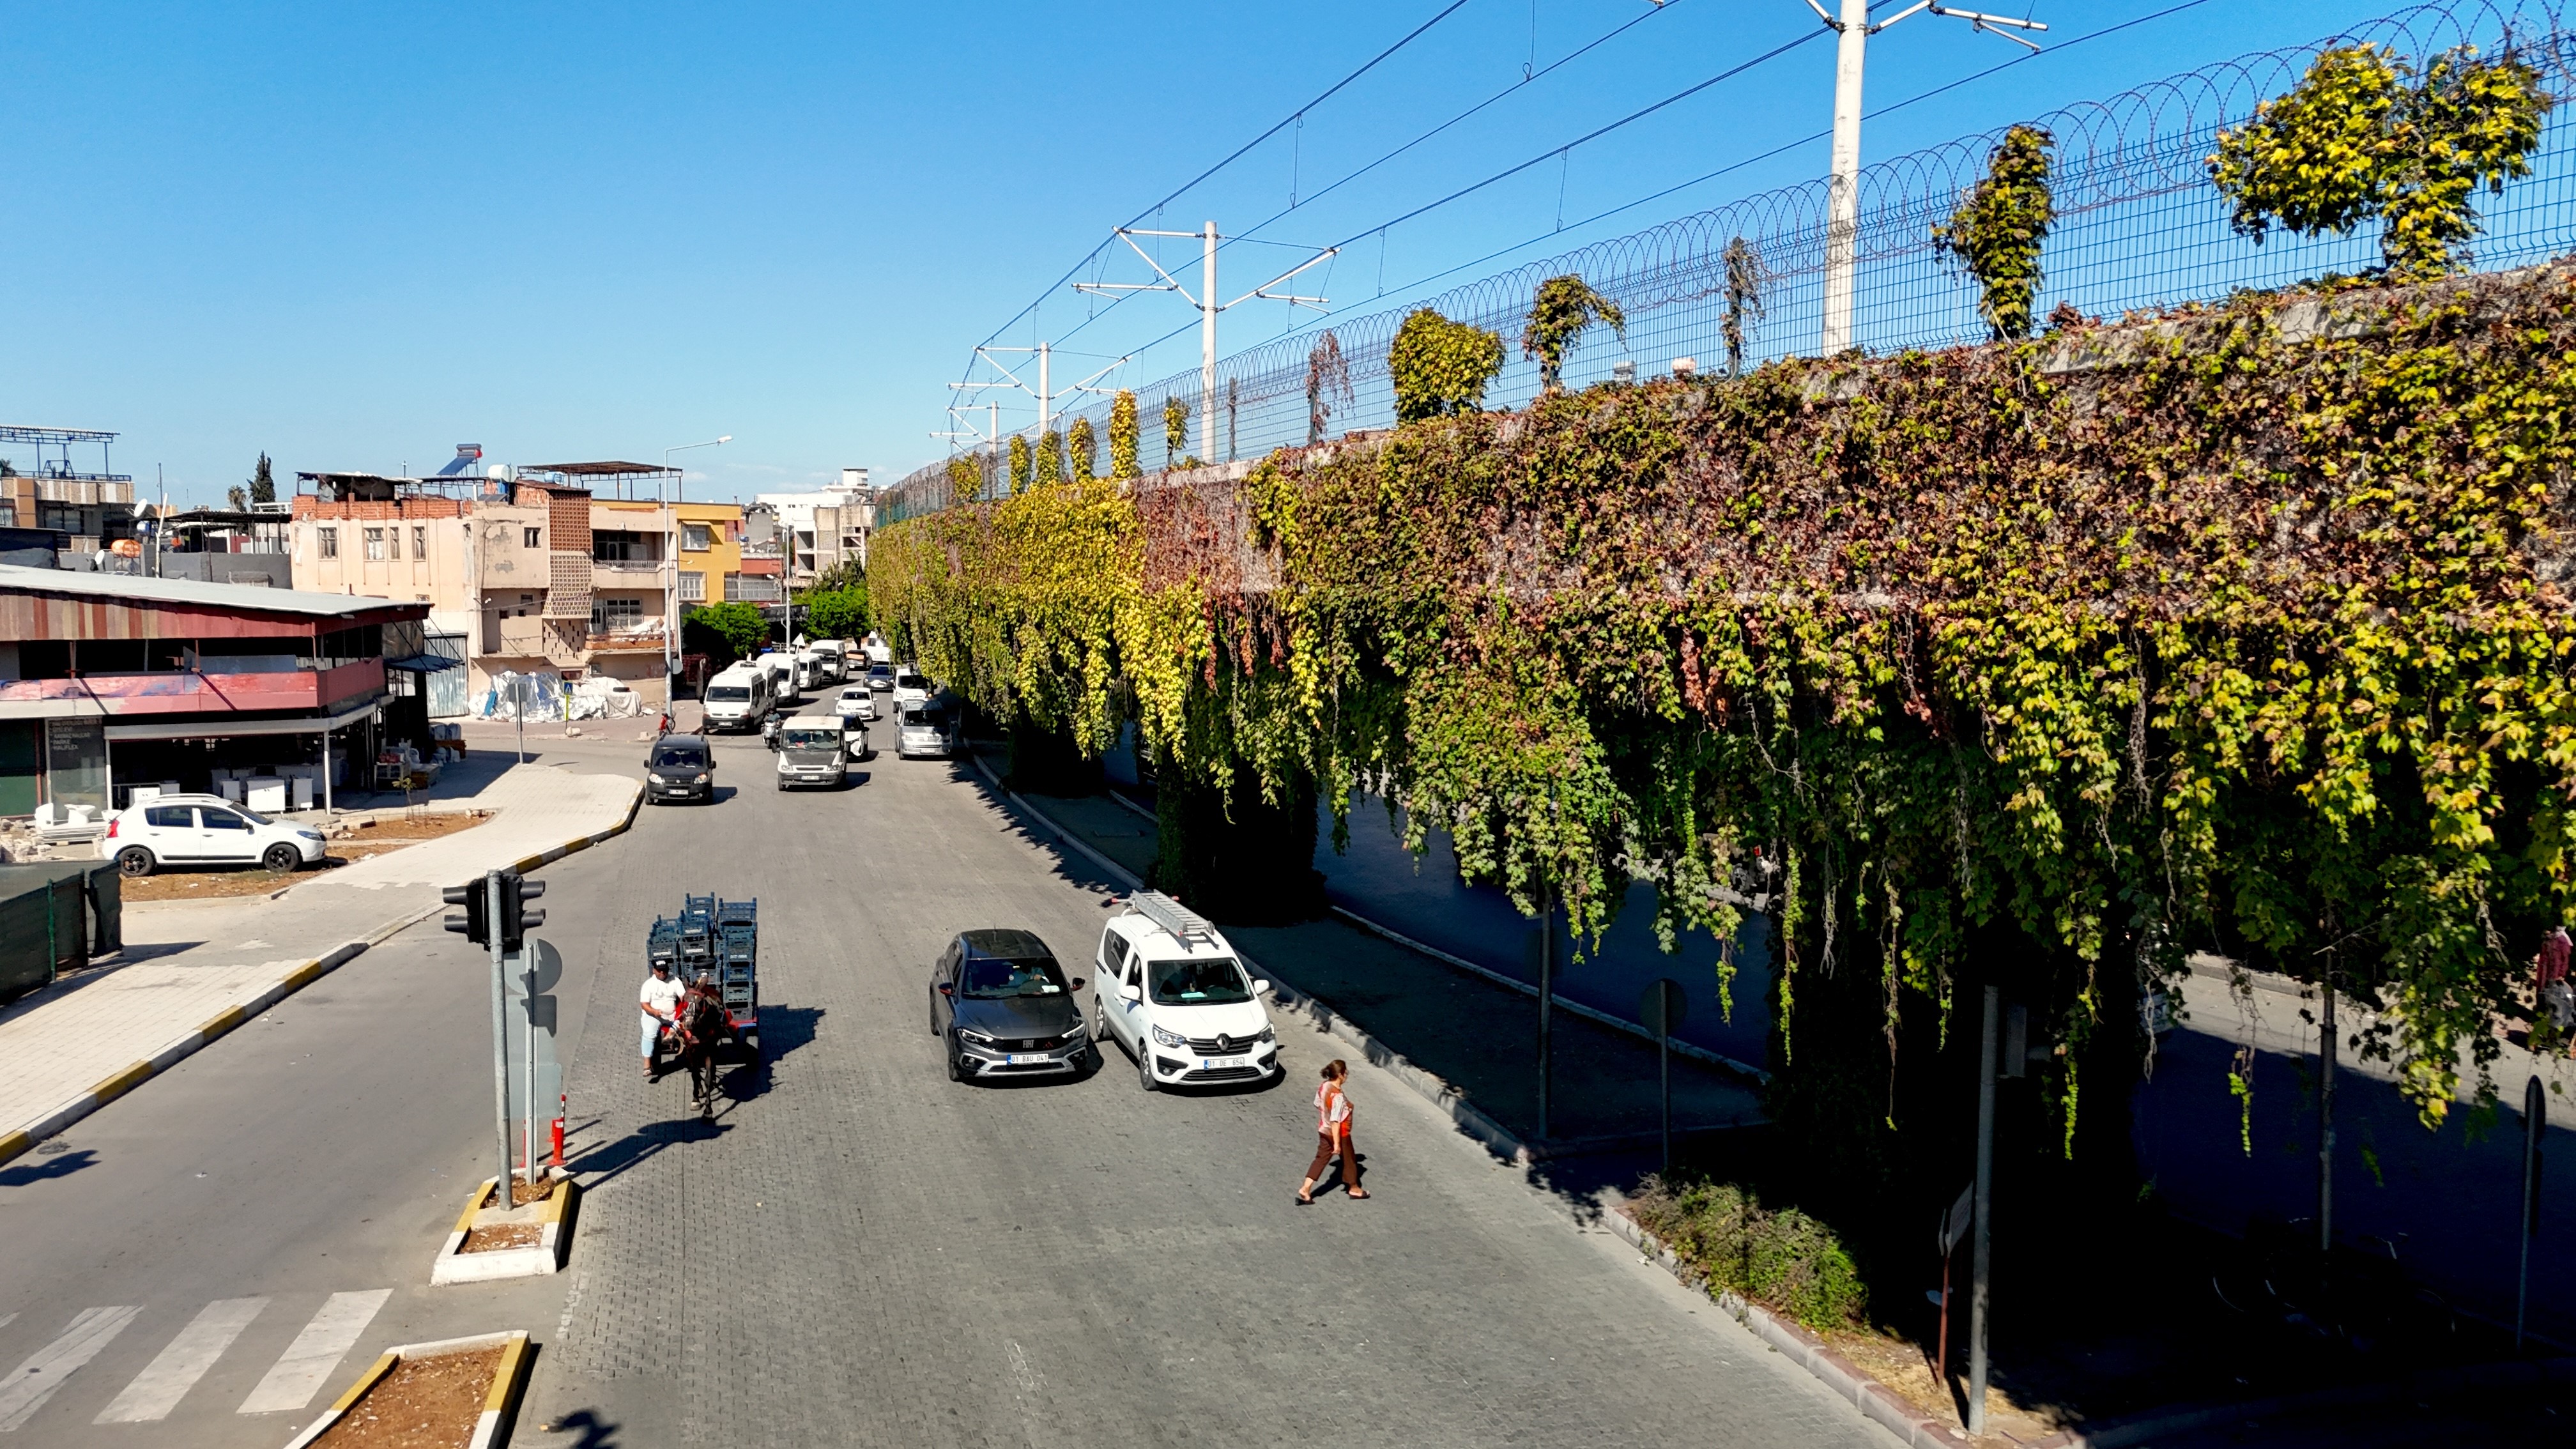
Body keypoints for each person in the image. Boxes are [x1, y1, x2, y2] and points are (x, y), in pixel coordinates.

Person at [1298, 1059, 1367, 1204]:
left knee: (1321, 1159)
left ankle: (1306, 1188)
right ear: (1341, 1075)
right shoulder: (1338, 1097)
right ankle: (1354, 1188)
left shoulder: (1324, 1086)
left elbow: (1317, 1103)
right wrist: (1337, 1144)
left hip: (1323, 1129)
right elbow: (1336, 1122)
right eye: (1346, 1073)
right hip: (1339, 1134)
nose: (1346, 1076)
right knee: (1349, 1160)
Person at [640, 960, 687, 1081]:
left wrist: (684, 1004)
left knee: (685, 1022)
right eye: (660, 971)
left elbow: (683, 997)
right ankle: (647, 1063)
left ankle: (672, 1033)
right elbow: (644, 1004)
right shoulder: (648, 984)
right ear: (654, 970)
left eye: (665, 970)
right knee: (649, 1034)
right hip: (654, 1015)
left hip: (672, 1016)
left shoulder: (675, 981)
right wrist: (654, 1011)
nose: (662, 973)